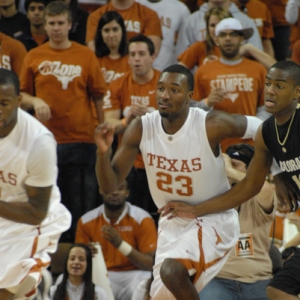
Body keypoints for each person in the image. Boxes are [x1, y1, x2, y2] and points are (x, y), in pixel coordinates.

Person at [94, 63, 263, 299]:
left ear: (190, 97)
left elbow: (263, 129)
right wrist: (102, 153)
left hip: (212, 220)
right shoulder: (141, 127)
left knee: (172, 271)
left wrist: (278, 168)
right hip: (172, 222)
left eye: (174, 90)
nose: (164, 95)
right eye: (161, 88)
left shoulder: (210, 124)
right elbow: (109, 186)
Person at [161, 60, 300, 300]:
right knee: (278, 291)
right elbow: (248, 186)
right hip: (226, 280)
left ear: (297, 92)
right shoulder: (267, 133)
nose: (270, 90)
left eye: (279, 85)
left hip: (255, 273)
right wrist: (196, 210)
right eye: (268, 84)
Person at [20, 1, 107, 243]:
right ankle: (52, 263)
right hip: (44, 142)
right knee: (49, 206)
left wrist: (101, 127)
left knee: (82, 207)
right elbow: (20, 96)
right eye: (51, 24)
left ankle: (83, 260)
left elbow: (98, 95)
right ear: (44, 26)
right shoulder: (34, 56)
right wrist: (35, 101)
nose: (56, 28)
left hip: (82, 140)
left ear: (70, 25)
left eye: (60, 23)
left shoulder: (85, 54)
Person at [0, 69, 71, 299]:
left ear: (19, 101)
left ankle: (30, 279)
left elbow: (36, 212)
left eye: (4, 103)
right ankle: (31, 288)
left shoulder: (38, 142)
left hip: (32, 223)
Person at [199, 143, 275, 300]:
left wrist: (229, 170)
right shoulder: (213, 196)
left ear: (250, 169)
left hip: (257, 279)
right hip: (218, 280)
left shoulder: (258, 198)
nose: (226, 169)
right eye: (225, 164)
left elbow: (265, 189)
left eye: (236, 165)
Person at [193, 17, 272, 151]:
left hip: (251, 145)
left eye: (233, 34)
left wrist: (253, 129)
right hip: (214, 145)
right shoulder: (203, 71)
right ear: (215, 40)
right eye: (223, 35)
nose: (228, 38)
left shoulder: (258, 69)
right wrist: (207, 103)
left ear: (242, 38)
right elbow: (192, 112)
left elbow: (266, 107)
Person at [103, 34, 160, 213]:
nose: (137, 59)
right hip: (129, 164)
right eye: (132, 54)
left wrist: (153, 116)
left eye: (142, 54)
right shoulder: (118, 84)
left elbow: (179, 122)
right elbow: (108, 124)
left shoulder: (165, 83)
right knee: (134, 214)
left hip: (160, 163)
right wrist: (127, 120)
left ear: (152, 57)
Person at [75, 180, 157, 300]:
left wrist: (121, 245)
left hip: (133, 274)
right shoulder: (86, 220)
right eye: (110, 188)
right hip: (102, 274)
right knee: (70, 282)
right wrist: (86, 254)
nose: (115, 193)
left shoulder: (142, 219)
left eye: (120, 188)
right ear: (101, 190)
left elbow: (150, 264)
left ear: (127, 193)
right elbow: (75, 260)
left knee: (145, 283)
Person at [176, 0, 262, 56]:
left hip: (237, 77)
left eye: (233, 33)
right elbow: (182, 58)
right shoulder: (191, 21)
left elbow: (258, 57)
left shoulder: (246, 21)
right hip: (202, 79)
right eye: (213, 25)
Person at [85, 0, 162, 57]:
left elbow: (152, 51)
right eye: (107, 30)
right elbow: (93, 51)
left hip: (136, 72)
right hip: (104, 70)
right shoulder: (96, 16)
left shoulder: (149, 15)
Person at [136, 0, 191, 71]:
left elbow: (183, 46)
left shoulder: (180, 9)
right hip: (134, 69)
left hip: (165, 69)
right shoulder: (134, 3)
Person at [177, 7, 231, 71]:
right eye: (212, 25)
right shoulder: (200, 47)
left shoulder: (236, 49)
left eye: (220, 25)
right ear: (207, 28)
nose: (216, 29)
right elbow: (178, 71)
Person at [95, 11, 130, 84]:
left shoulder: (132, 58)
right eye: (106, 30)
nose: (111, 35)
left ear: (122, 31)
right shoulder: (93, 60)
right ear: (100, 33)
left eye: (115, 30)